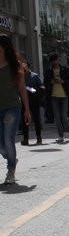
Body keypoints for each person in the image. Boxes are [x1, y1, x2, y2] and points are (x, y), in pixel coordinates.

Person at [0, 33, 31, 183]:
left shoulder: (15, 65)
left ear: (5, 49)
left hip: (12, 107)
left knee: (8, 139)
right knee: (1, 145)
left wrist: (27, 109)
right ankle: (12, 158)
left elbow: (22, 89)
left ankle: (11, 170)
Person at [44, 53, 69, 143]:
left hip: (64, 96)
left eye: (55, 60)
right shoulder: (48, 71)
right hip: (54, 96)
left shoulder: (65, 69)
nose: (54, 62)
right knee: (57, 117)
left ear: (58, 60)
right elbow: (45, 83)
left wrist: (62, 81)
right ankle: (61, 135)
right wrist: (51, 82)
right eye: (52, 61)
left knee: (64, 115)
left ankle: (68, 130)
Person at [21, 61, 44, 145]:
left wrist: (33, 89)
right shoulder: (20, 76)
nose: (23, 68)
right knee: (24, 119)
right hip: (24, 99)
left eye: (24, 66)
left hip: (34, 99)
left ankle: (39, 137)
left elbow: (42, 87)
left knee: (36, 118)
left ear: (28, 67)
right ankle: (25, 138)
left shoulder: (34, 76)